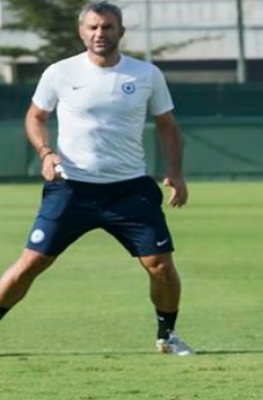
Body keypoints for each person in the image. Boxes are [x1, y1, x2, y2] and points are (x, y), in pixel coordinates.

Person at [0, 1, 193, 356]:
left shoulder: (146, 75)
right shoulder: (60, 72)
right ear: (81, 31)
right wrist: (45, 153)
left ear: (120, 31)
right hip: (71, 188)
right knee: (31, 263)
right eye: (92, 27)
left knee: (161, 267)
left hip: (130, 190)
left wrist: (176, 174)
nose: (99, 33)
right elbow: (35, 116)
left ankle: (168, 336)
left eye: (106, 27)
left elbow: (167, 126)